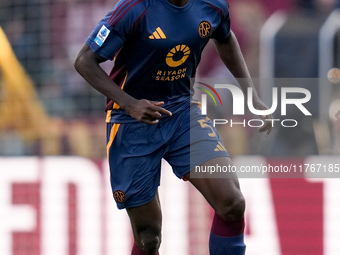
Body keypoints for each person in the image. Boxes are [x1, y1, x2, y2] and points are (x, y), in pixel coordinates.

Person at [74, 0, 272, 254]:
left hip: (181, 113)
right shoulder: (134, 9)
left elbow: (224, 37)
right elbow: (84, 60)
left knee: (232, 203)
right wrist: (130, 104)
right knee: (148, 237)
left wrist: (251, 95)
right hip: (131, 122)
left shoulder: (213, 6)